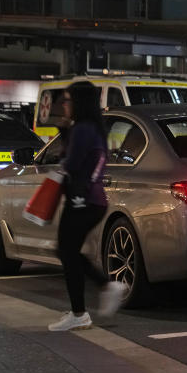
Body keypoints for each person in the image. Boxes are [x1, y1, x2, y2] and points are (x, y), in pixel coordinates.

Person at [48, 81, 128, 331]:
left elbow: (71, 164)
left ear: (79, 103)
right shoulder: (91, 128)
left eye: (68, 100)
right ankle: (85, 306)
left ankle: (82, 310)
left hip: (82, 200)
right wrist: (64, 131)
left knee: (66, 251)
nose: (65, 105)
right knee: (67, 251)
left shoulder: (83, 129)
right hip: (91, 200)